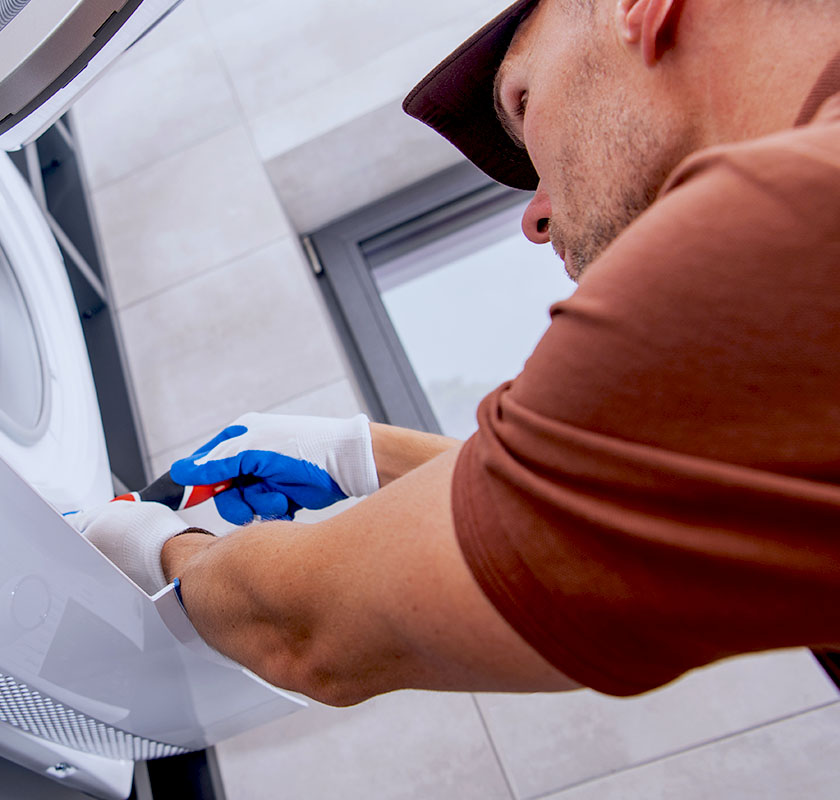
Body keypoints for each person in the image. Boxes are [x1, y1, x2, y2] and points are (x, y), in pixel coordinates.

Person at [68, 0, 840, 704]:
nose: (535, 219)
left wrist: (156, 550)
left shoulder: (769, 243)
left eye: (522, 100)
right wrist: (359, 455)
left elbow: (308, 634)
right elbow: (658, 515)